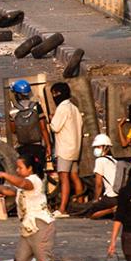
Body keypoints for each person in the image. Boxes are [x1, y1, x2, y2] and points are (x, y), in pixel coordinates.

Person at [0, 154, 74, 261]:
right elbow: (10, 191)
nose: (17, 170)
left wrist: (3, 174)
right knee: (20, 258)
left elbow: (22, 184)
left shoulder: (34, 180)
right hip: (28, 226)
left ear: (30, 169)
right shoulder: (23, 183)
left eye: (20, 168)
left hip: (40, 225)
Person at [48, 82, 84, 217]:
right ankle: (81, 204)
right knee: (74, 176)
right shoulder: (74, 108)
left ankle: (62, 209)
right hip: (75, 147)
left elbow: (55, 127)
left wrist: (51, 119)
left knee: (64, 178)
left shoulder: (62, 108)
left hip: (64, 148)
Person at [67, 134, 121, 219]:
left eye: (98, 147)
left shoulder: (100, 161)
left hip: (110, 197)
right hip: (119, 197)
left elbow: (98, 184)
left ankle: (112, 210)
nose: (96, 149)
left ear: (106, 147)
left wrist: (96, 199)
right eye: (95, 147)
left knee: (90, 214)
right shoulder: (115, 161)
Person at [7, 79, 52, 166]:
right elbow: (43, 128)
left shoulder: (13, 111)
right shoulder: (36, 106)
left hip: (22, 148)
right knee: (39, 172)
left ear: (16, 94)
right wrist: (48, 145)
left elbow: (13, 130)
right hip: (38, 146)